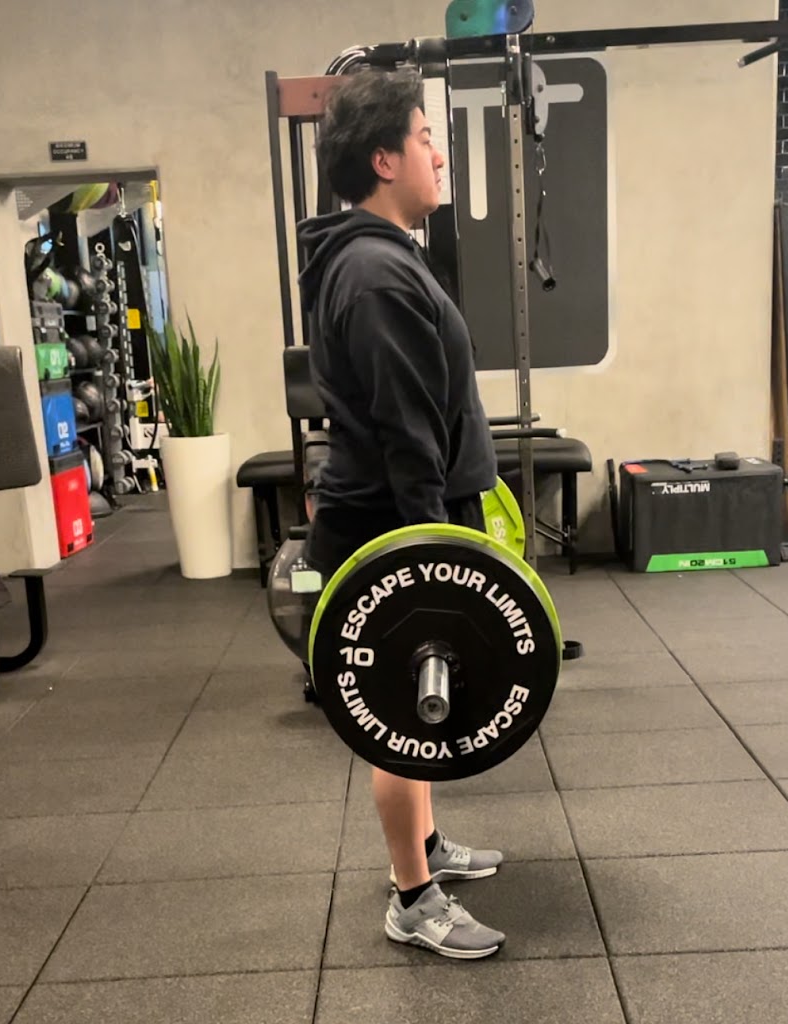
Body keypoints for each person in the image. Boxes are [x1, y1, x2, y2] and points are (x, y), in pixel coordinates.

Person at [296, 68, 506, 959]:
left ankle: (424, 844)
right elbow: (407, 432)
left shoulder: (381, 256)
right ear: (383, 159)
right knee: (402, 713)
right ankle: (412, 897)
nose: (438, 155)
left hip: (403, 516)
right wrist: (432, 561)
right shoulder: (376, 273)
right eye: (425, 139)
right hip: (393, 525)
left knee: (426, 700)